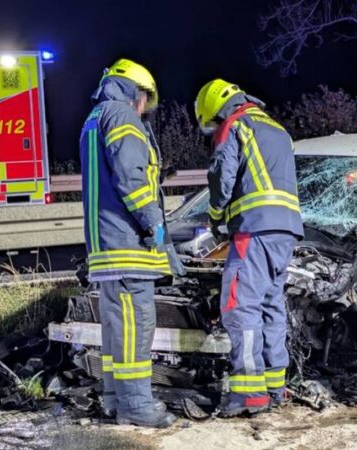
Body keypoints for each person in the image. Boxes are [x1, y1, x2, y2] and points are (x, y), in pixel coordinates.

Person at [194, 79, 303, 417]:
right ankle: (275, 384)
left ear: (214, 109)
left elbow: (221, 177)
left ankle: (249, 392)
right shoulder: (276, 128)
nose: (213, 129)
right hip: (286, 231)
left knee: (240, 307)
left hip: (254, 229)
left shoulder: (234, 125)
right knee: (271, 306)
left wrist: (215, 217)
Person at [80, 58, 176, 428]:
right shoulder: (122, 117)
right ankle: (135, 405)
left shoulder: (95, 119)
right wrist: (155, 225)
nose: (145, 108)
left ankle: (112, 398)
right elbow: (131, 178)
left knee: (115, 328)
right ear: (136, 91)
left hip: (104, 246)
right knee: (137, 325)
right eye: (145, 100)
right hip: (125, 244)